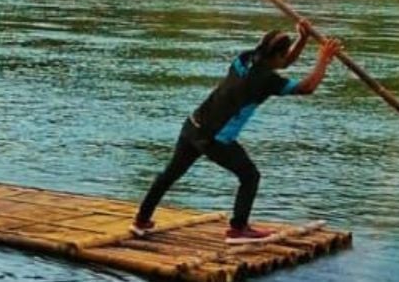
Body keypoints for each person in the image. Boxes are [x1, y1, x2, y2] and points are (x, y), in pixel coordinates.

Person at [131, 23, 342, 244]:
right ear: (276, 55)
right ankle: (238, 229)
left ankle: (141, 220)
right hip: (215, 138)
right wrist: (324, 59)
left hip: (193, 125)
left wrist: (302, 39)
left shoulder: (244, 58)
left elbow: (283, 62)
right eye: (283, 55)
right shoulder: (265, 81)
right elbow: (307, 87)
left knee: (170, 174)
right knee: (250, 176)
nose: (284, 60)